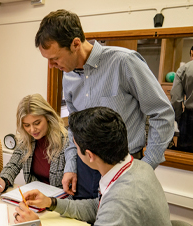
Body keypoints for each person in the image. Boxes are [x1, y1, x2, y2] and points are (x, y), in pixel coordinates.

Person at [14, 107, 182, 226]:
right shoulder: (136, 168)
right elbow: (99, 206)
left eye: (76, 147)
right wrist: (52, 202)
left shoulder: (125, 200)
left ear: (89, 155)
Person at [35, 9, 175, 198]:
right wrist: (71, 165)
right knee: (81, 225)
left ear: (75, 44)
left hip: (123, 168)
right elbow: (73, 128)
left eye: (55, 58)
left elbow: (162, 113)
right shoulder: (68, 76)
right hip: (84, 170)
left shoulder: (124, 62)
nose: (51, 66)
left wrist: (147, 166)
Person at [0, 94, 68, 194]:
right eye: (27, 125)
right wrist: (2, 182)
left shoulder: (65, 141)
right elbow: (12, 166)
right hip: (34, 198)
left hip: (58, 203)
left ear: (47, 117)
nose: (32, 130)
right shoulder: (26, 140)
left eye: (37, 123)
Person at [171, 59, 193, 152]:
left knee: (185, 156)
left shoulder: (184, 69)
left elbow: (176, 99)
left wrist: (179, 118)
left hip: (190, 118)